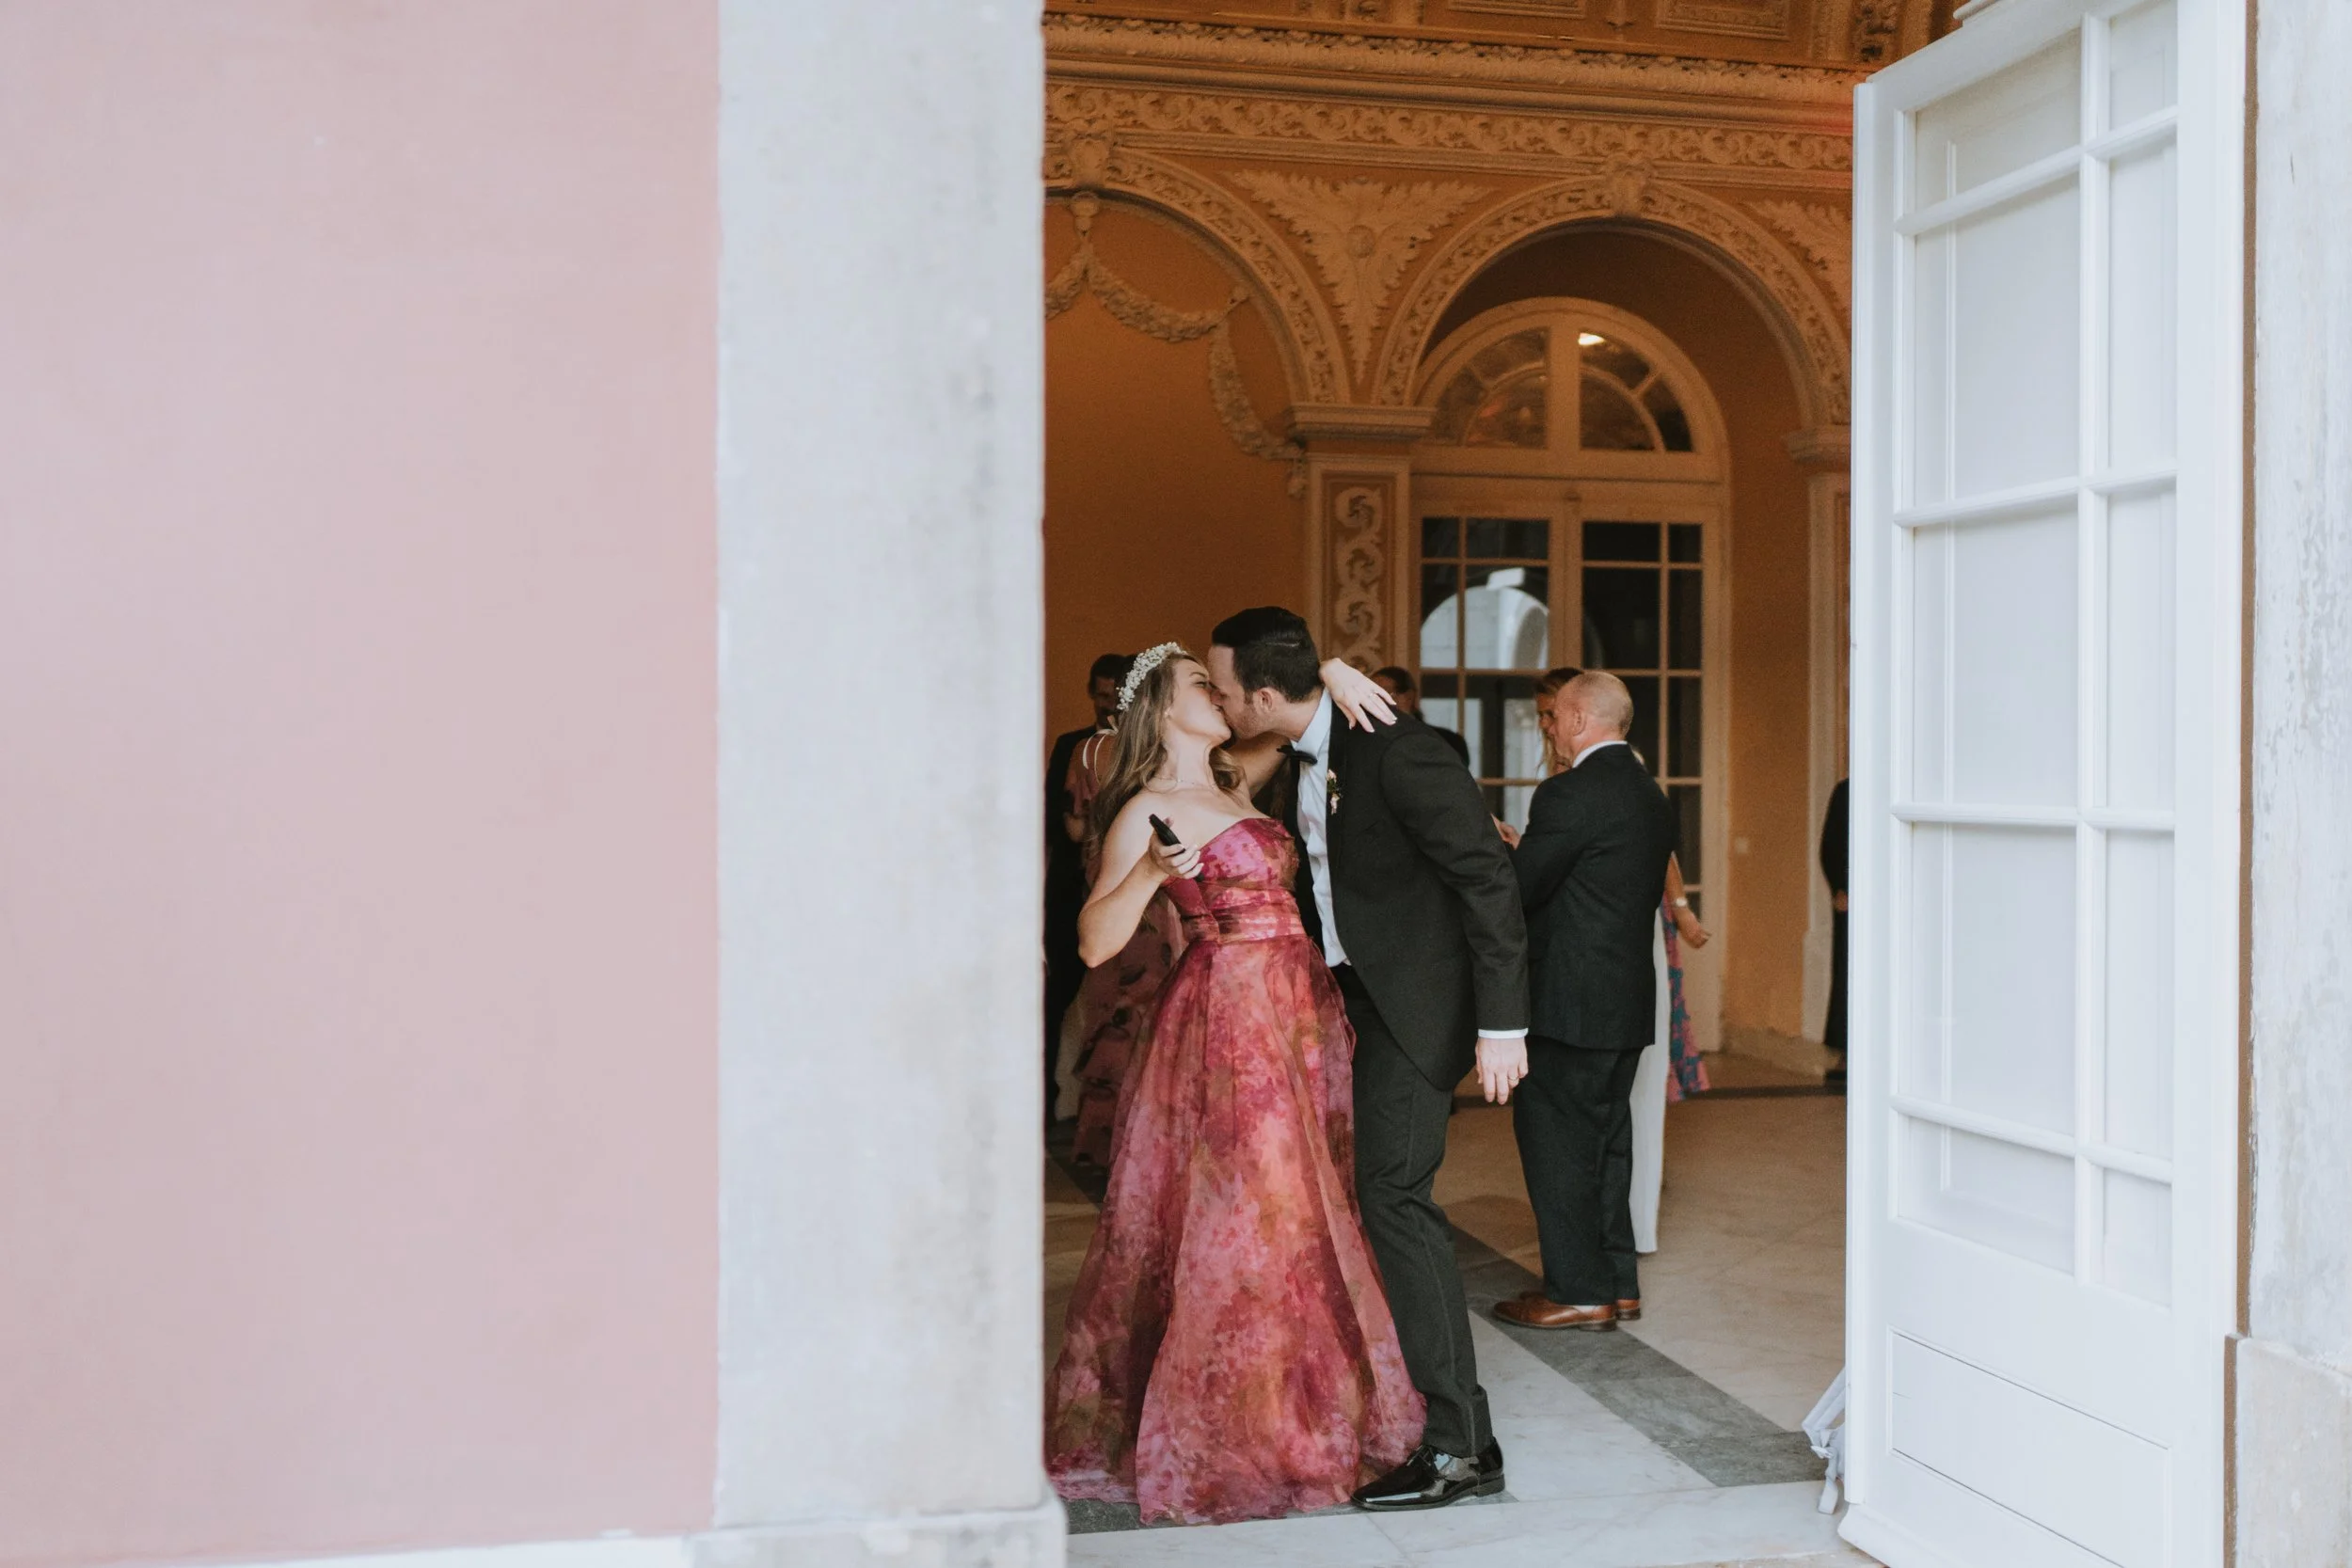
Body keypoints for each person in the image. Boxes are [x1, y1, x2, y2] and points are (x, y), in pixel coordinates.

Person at [1046, 644, 1423, 1524]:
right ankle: (1243, 1432)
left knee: (1305, 1211)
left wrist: (1329, 670)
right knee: (1251, 1218)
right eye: (1201, 688)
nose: (1221, 696)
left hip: (1295, 1012)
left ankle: (1300, 1411)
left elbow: (1301, 730)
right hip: (1229, 1020)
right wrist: (1148, 872)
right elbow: (1096, 943)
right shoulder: (1147, 805)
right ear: (1164, 711)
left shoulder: (1234, 779)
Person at [1209, 608, 1530, 1513]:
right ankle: (1458, 1430)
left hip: (1416, 1011)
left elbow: (1485, 874)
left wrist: (1502, 1023)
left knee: (1394, 1193)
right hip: (1354, 1004)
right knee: (1375, 1193)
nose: (1224, 700)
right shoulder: (1315, 746)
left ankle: (1461, 1445)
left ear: (1267, 695)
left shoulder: (1397, 749)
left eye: (1228, 688)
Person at [1500, 672, 1677, 1332]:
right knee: (1608, 1142)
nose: (1548, 727)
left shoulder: (1567, 793)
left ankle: (1577, 1289)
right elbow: (1595, 882)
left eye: (1553, 718)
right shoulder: (1651, 797)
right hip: (1625, 1000)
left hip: (1567, 1003)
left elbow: (1524, 891)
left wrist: (1505, 854)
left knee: (1557, 1144)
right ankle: (1618, 1283)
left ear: (1577, 719)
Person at [1045, 655, 1131, 1122]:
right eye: (1101, 695)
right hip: (1075, 886)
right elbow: (1061, 827)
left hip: (1130, 887)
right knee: (1060, 997)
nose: (1109, 704)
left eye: (1117, 694)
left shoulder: (1142, 749)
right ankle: (1045, 1104)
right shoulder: (1074, 747)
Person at [1372, 665, 1470, 767]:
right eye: (1370, 696)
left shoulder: (1448, 741)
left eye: (1382, 695)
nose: (1374, 703)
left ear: (1408, 697)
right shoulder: (1369, 740)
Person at [1820, 776, 1850, 1092]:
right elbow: (1830, 844)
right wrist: (1840, 888)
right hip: (1850, 901)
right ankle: (1844, 1052)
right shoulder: (1845, 791)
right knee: (1845, 973)